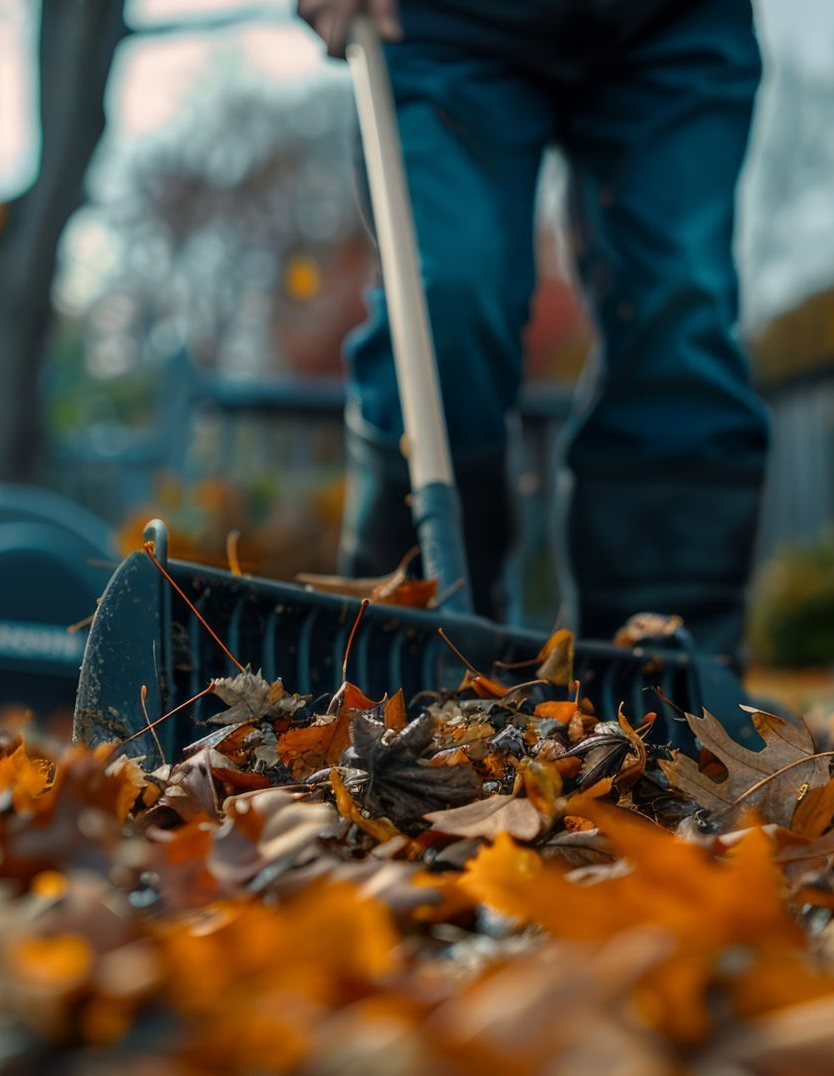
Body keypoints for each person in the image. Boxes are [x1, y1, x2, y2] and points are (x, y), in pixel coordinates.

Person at [300, 0, 770, 661]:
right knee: (444, 298)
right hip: (444, 23)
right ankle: (410, 657)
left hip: (673, 20)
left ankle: (671, 687)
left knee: (678, 304)